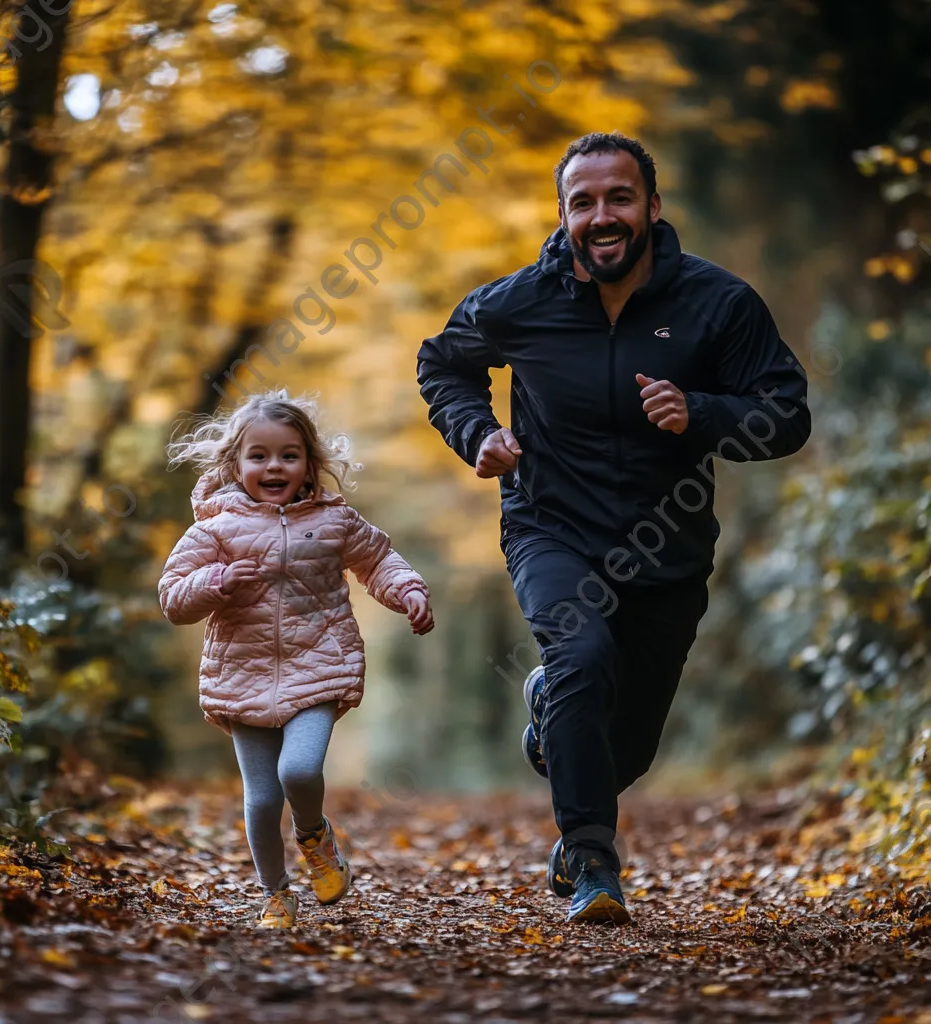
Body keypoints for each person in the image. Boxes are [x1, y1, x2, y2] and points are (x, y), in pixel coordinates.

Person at [417, 132, 810, 925]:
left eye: (618, 198)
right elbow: (442, 363)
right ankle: (592, 861)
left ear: (652, 209)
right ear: (564, 215)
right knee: (583, 656)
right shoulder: (519, 302)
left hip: (668, 547)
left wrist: (700, 413)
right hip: (549, 528)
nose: (601, 215)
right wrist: (478, 435)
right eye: (583, 202)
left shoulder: (717, 303)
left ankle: (551, 717)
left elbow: (788, 414)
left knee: (625, 749)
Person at [158, 390, 433, 928]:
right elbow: (173, 597)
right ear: (235, 464)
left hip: (319, 666)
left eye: (288, 454)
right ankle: (276, 893)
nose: (273, 466)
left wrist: (408, 591)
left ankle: (314, 836)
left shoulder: (334, 521)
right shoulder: (213, 529)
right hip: (242, 675)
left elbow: (378, 561)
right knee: (261, 800)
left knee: (299, 770)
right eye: (258, 455)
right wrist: (215, 581)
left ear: (309, 463)